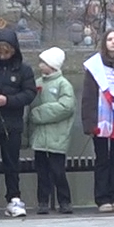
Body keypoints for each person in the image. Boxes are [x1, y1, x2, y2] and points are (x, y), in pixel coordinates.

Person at [0, 27, 37, 219]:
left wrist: (8, 100)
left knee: (12, 163)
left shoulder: (23, 69)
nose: (2, 55)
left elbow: (29, 93)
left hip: (11, 124)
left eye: (7, 52)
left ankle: (14, 198)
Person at [81, 29, 114, 211]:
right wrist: (89, 123)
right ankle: (102, 198)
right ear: (104, 43)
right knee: (102, 158)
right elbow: (87, 97)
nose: (113, 42)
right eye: (110, 39)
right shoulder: (94, 66)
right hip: (100, 119)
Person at [27, 48, 76, 214]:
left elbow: (66, 107)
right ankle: (42, 201)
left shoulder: (63, 84)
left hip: (58, 137)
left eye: (44, 63)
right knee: (41, 173)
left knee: (58, 171)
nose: (40, 65)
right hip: (40, 138)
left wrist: (39, 113)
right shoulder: (37, 83)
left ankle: (65, 201)